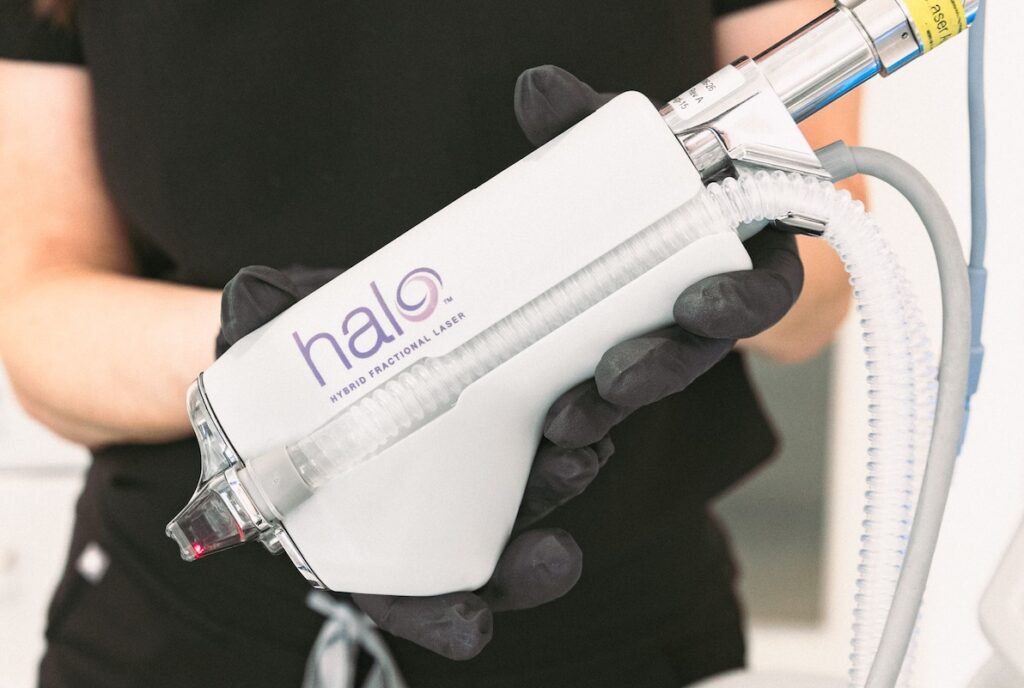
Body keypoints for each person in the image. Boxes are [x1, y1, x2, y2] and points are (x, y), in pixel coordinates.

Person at [0, 0, 860, 686]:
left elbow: (823, 279)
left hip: (619, 626)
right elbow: (37, 320)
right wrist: (303, 366)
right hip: (176, 637)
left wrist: (681, 232)